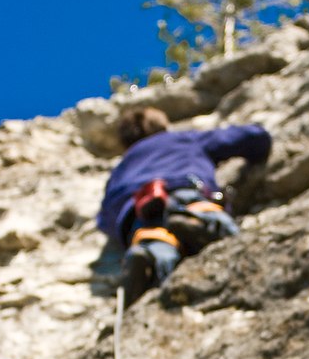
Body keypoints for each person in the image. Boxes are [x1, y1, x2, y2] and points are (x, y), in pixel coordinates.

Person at [97, 107, 272, 306]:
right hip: (184, 191)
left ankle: (149, 259)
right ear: (162, 126)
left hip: (138, 213)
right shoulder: (183, 139)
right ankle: (198, 224)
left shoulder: (121, 169)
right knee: (217, 225)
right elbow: (252, 138)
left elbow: (105, 219)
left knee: (156, 243)